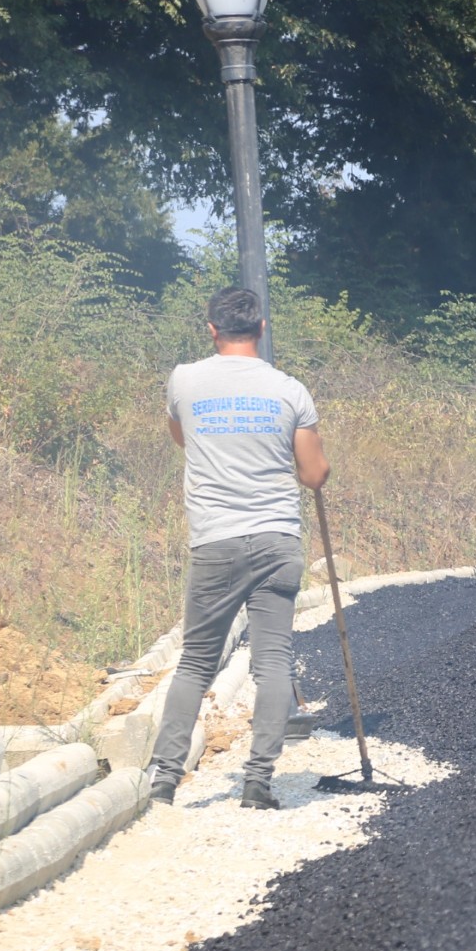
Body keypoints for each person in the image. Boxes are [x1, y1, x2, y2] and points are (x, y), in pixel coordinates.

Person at [150, 287, 329, 810]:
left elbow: (182, 437)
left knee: (195, 664)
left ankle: (163, 780)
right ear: (262, 327)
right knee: (274, 661)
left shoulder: (184, 379)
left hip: (215, 540)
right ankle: (257, 783)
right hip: (277, 539)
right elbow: (313, 474)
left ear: (211, 329)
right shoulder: (290, 390)